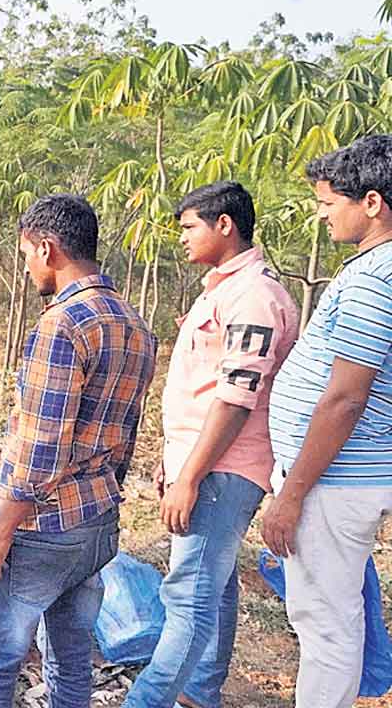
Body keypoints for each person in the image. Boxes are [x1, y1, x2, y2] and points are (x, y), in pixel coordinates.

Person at [0, 194, 157, 708]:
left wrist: (0, 530)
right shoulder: (136, 326)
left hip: (41, 527)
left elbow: (42, 445)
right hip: (96, 520)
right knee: (71, 663)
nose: (28, 267)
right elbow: (127, 434)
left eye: (27, 253)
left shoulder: (63, 324)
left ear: (47, 249)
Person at [124, 182, 299, 708]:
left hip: (225, 469)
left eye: (189, 226)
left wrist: (193, 476)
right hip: (205, 463)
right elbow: (201, 391)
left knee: (189, 594)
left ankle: (148, 701)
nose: (181, 237)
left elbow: (235, 399)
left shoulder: (255, 296)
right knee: (213, 587)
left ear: (225, 225)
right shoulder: (222, 289)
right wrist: (174, 462)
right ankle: (198, 694)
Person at [262, 134, 392, 708]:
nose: (321, 218)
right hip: (347, 475)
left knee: (326, 626)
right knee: (334, 615)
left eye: (327, 204)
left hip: (334, 482)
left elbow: (344, 398)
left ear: (371, 202)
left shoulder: (374, 280)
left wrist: (291, 494)